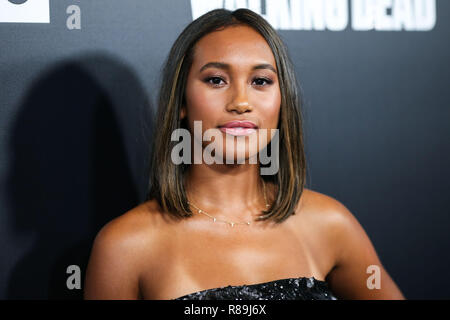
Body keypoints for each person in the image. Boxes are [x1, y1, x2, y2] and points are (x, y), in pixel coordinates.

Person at [83, 8, 405, 300]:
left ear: (282, 101)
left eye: (261, 81)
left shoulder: (330, 224)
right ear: (181, 101)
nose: (240, 101)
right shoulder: (125, 247)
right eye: (216, 80)